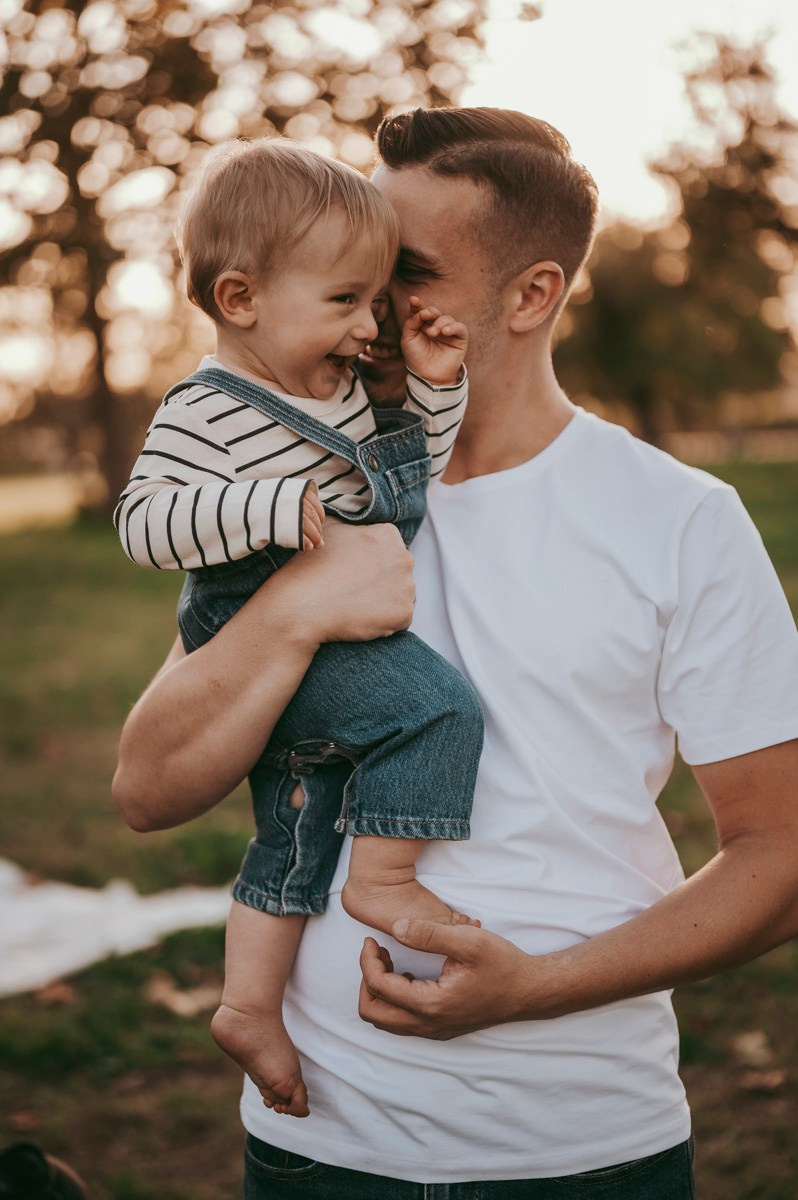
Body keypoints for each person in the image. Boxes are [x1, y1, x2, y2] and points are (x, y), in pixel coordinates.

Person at [113, 107, 798, 1198]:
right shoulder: (302, 488)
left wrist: (535, 988)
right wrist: (299, 609)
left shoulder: (681, 521)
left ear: (532, 295)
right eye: (357, 265)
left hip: (583, 1151)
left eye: (408, 270)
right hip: (318, 1146)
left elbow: (781, 858)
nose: (367, 299)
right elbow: (149, 789)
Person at [114, 138, 483, 1120]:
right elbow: (143, 523)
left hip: (326, 633)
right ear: (241, 301)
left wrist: (437, 388)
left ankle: (246, 1009)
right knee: (438, 711)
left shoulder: (345, 392)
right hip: (254, 619)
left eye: (377, 302)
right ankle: (391, 878)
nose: (370, 326)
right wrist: (264, 509)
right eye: (346, 302)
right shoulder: (202, 410)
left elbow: (415, 469)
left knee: (291, 835)